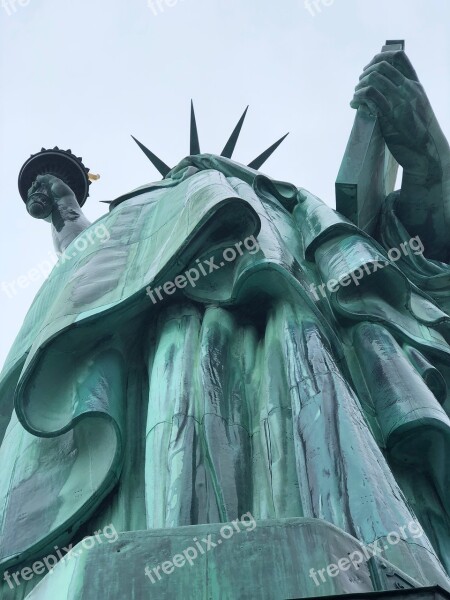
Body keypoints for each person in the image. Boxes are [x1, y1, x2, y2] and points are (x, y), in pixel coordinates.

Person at [1, 49, 450, 598]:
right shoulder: (145, 242)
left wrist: (429, 164)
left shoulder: (290, 218)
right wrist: (66, 212)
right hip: (179, 367)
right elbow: (87, 281)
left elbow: (412, 272)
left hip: (297, 338)